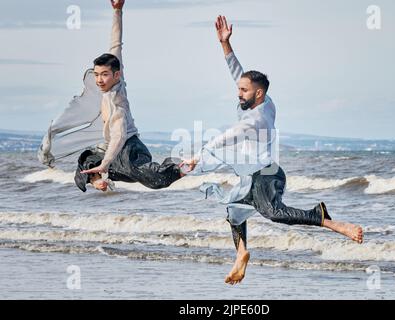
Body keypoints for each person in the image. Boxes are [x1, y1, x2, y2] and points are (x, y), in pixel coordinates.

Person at [182, 15, 364, 285]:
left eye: (244, 91)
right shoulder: (262, 101)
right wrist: (225, 44)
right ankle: (241, 253)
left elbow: (225, 138)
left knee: (275, 213)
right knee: (234, 209)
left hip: (267, 174)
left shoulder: (256, 120)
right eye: (239, 90)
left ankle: (328, 220)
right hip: (253, 174)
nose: (238, 94)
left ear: (258, 94)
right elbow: (239, 74)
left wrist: (197, 157)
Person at [75, 0, 183, 192]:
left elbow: (118, 136)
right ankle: (99, 178)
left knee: (156, 180)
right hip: (113, 151)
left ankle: (182, 167)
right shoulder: (113, 80)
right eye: (96, 74)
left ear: (117, 75)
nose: (99, 80)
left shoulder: (117, 100)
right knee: (85, 160)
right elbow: (116, 44)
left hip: (129, 149)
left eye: (104, 75)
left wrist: (106, 163)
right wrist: (117, 11)